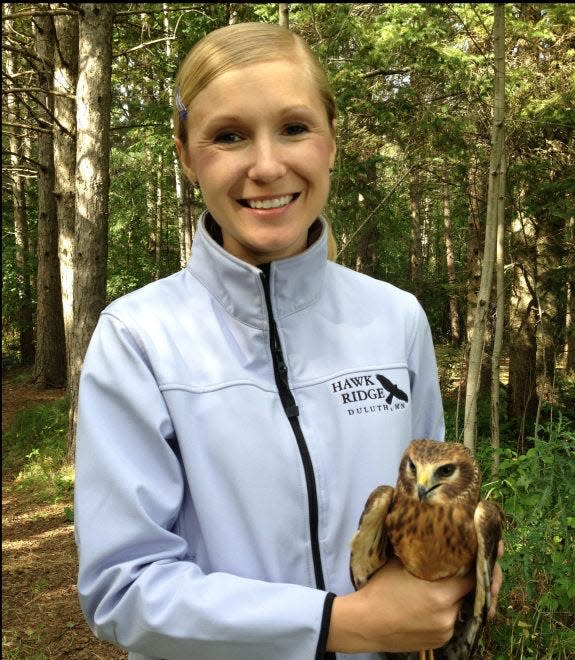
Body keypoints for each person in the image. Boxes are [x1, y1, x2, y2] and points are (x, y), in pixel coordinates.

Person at [74, 22, 502, 660]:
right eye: (228, 136)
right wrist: (337, 622)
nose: (268, 165)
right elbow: (122, 588)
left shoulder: (396, 319)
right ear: (187, 155)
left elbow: (428, 531)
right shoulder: (139, 338)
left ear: (332, 140)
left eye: (295, 128)